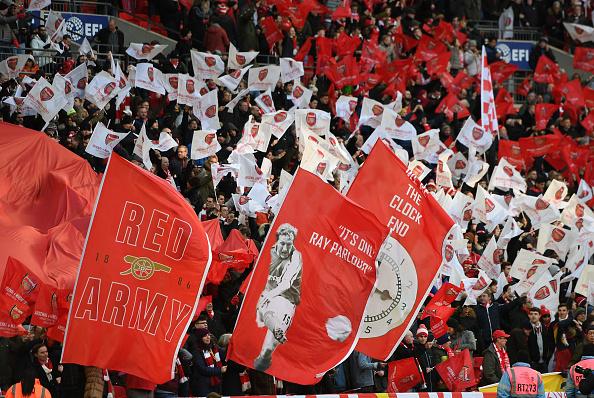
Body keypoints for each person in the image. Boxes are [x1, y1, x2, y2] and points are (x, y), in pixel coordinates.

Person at [253, 223, 302, 371]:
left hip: (286, 299)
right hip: (268, 293)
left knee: (269, 311)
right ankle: (269, 346)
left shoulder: (296, 256)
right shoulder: (270, 251)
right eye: (282, 243)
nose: (286, 248)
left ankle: (273, 336)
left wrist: (270, 295)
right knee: (266, 318)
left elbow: (286, 283)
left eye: (289, 244)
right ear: (277, 241)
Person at [190, 328, 227, 396]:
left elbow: (225, 354)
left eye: (208, 335)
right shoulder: (196, 352)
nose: (208, 337)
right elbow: (202, 369)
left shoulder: (213, 348)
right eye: (205, 336)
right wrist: (220, 370)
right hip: (203, 386)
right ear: (199, 338)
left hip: (215, 383)